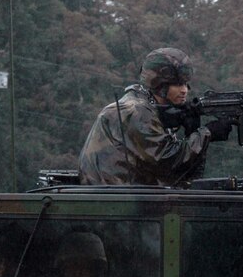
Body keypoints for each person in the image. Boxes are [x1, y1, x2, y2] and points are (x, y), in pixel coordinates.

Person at [78, 48, 233, 186]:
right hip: (114, 200)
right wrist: (207, 133)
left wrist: (191, 129)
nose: (184, 90)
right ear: (160, 85)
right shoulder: (136, 111)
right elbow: (168, 161)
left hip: (121, 197)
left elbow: (181, 177)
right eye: (177, 84)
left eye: (186, 84)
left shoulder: (144, 105)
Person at [36, 232, 109, 277]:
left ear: (95, 272)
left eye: (85, 267)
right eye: (74, 265)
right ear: (62, 267)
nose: (78, 272)